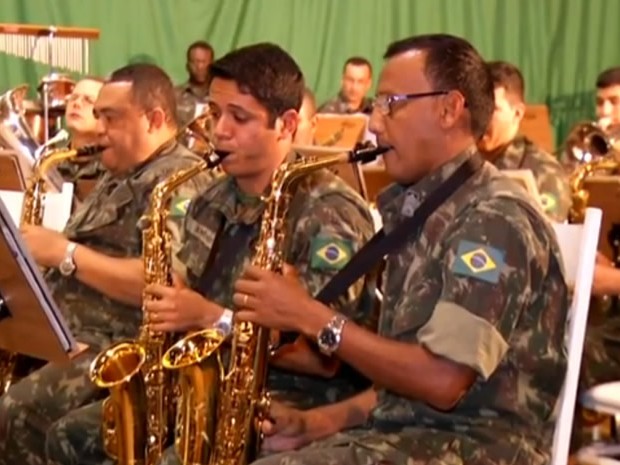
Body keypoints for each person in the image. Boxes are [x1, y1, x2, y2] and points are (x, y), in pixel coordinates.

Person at [230, 34, 569, 465]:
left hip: (480, 449)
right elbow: (401, 387)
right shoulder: (427, 209)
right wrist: (318, 422)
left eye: (391, 103)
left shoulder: (493, 219)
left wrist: (309, 316)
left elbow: (443, 379)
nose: (374, 122)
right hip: (406, 436)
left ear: (449, 108)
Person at [45, 43, 377, 465]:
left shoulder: (331, 213)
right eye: (215, 114)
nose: (220, 131)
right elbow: (184, 295)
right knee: (70, 436)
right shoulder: (211, 196)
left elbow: (322, 359)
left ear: (287, 124)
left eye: (239, 118)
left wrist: (208, 318)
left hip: (285, 400)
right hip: (200, 383)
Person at [0, 63, 217, 465]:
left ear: (154, 119)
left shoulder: (180, 179)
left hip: (118, 345)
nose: (99, 128)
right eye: (97, 115)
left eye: (110, 117)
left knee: (17, 412)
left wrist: (65, 254)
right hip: (65, 333)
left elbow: (165, 284)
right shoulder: (120, 172)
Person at [477, 60, 571, 222]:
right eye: (477, 106)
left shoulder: (543, 172)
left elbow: (548, 238)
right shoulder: (459, 161)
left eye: (493, 109)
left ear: (518, 113)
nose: (481, 117)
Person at [57, 77, 107, 189]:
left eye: (88, 100)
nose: (77, 104)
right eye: (73, 98)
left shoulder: (114, 169)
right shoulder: (51, 164)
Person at [175, 40, 214, 129]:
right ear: (187, 65)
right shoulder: (174, 97)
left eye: (204, 62)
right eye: (195, 62)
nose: (200, 67)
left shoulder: (220, 97)